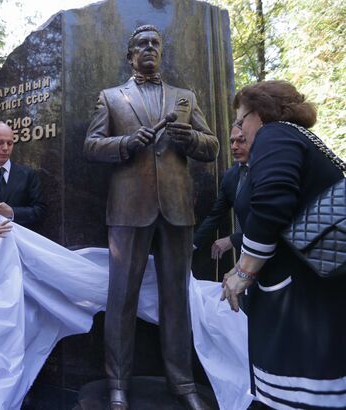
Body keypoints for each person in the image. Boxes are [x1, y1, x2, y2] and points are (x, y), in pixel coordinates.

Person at [84, 25, 219, 410]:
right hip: (128, 209)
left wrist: (189, 138)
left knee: (177, 298)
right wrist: (125, 142)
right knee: (122, 299)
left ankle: (183, 383)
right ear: (130, 55)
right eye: (141, 44)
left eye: (155, 44)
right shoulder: (111, 97)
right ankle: (117, 384)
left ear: (161, 52)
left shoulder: (185, 97)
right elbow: (91, 145)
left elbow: (212, 146)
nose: (149, 48)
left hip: (177, 209)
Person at [221, 80, 346, 409]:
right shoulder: (300, 138)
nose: (239, 130)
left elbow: (271, 203)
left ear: (259, 113)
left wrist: (243, 272)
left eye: (240, 120)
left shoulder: (274, 135)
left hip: (298, 301)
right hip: (311, 289)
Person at [194, 125, 251, 260]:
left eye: (241, 141)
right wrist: (193, 244)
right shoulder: (230, 175)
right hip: (244, 254)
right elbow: (216, 215)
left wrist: (233, 239)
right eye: (232, 141)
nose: (234, 147)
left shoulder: (267, 171)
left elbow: (266, 219)